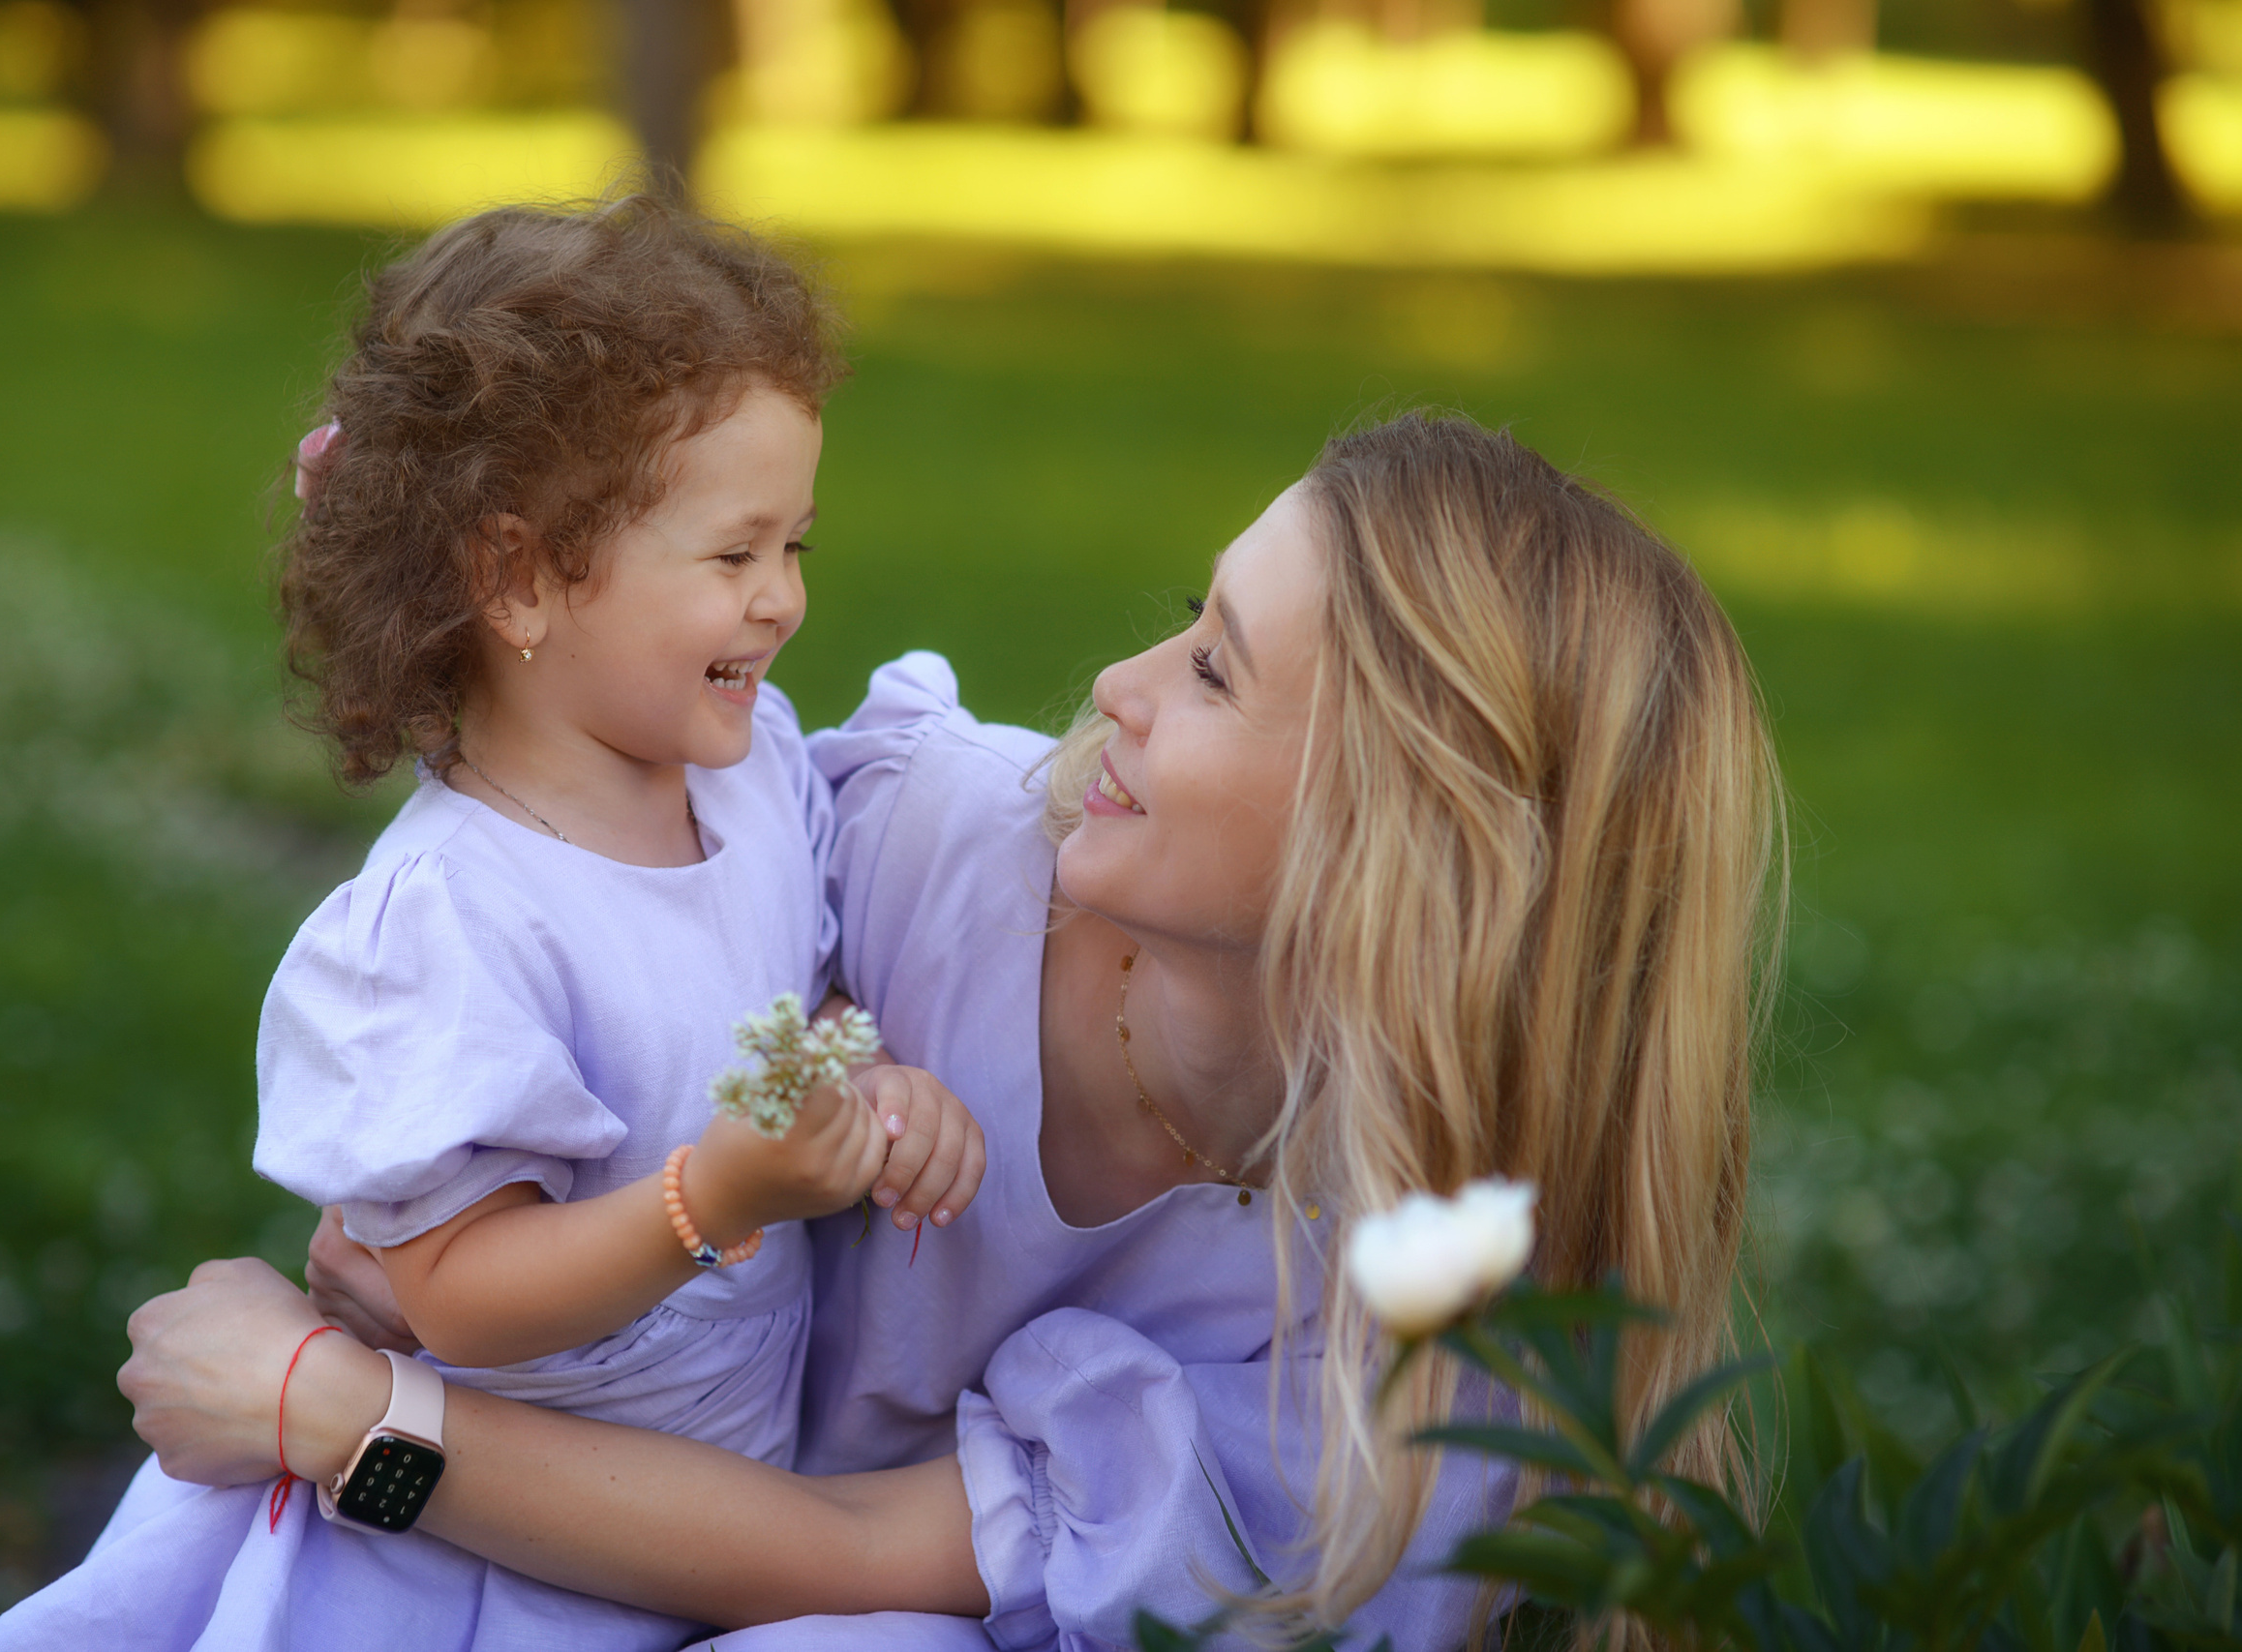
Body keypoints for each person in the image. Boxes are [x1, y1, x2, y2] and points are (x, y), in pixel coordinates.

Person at [107, 409, 1784, 1646]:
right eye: (1189, 619)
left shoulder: (1397, 1327)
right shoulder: (924, 841)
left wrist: (335, 1412)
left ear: (1399, 844)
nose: (1120, 682)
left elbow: (839, 1557)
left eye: (1214, 671)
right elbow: (559, 921)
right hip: (531, 1508)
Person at [0, 196, 985, 1651]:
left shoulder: (746, 779)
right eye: (734, 554)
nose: (783, 604)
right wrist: (717, 1198)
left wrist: (855, 1089)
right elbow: (461, 1297)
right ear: (515, 577)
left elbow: (786, 1002)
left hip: (702, 1509)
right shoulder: (451, 925)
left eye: (796, 546)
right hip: (477, 1569)